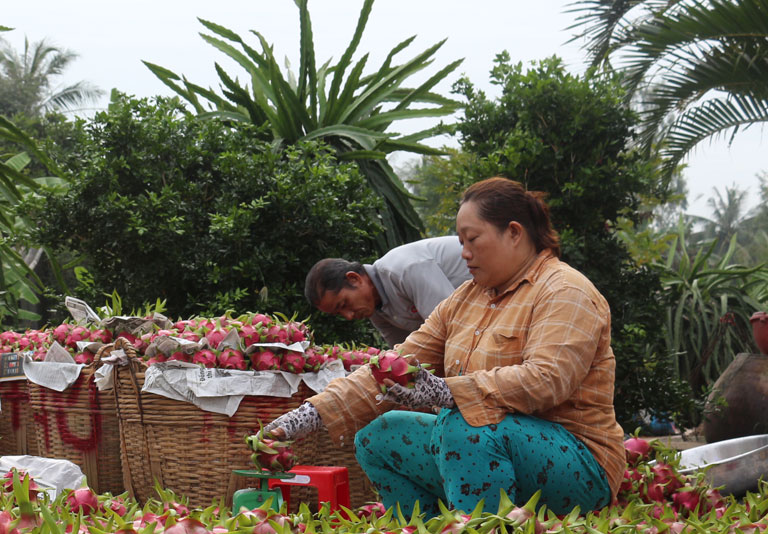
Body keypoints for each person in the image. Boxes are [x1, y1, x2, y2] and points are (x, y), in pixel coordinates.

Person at [268, 177, 625, 515]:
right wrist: (302, 418)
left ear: (514, 233)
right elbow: (392, 366)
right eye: (461, 242)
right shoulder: (465, 299)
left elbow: (547, 380)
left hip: (578, 462)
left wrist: (445, 391)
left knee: (463, 424)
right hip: (484, 442)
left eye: (472, 240)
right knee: (378, 436)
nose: (464, 253)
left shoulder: (565, 290)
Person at [305, 236, 472, 346]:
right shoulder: (376, 309)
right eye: (339, 314)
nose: (348, 316)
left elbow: (453, 330)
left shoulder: (403, 270)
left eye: (343, 304)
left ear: (354, 279)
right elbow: (405, 353)